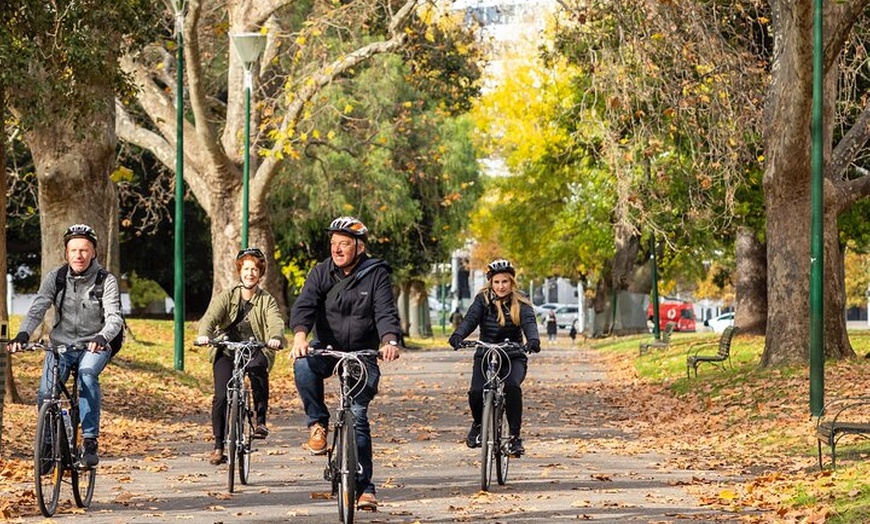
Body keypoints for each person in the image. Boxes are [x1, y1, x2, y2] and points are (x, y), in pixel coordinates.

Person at [289, 216, 402, 512]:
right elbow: (305, 305)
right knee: (303, 364)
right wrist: (301, 337)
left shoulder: (375, 273)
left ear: (359, 246)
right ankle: (317, 423)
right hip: (327, 346)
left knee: (358, 415)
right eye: (333, 244)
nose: (337, 249)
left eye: (344, 244)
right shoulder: (320, 272)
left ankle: (366, 488)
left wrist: (389, 341)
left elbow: (385, 311)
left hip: (363, 352)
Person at [7, 224, 123, 468]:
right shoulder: (56, 278)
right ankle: (48, 446)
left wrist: (103, 336)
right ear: (66, 253)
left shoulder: (106, 280)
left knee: (87, 374)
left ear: (93, 253)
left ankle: (90, 442)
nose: (78, 256)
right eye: (73, 250)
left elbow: (115, 317)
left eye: (84, 250)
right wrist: (22, 334)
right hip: (61, 345)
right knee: (45, 393)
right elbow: (38, 307)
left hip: (95, 345)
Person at [196, 247, 285, 466]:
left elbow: (275, 321)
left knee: (257, 371)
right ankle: (218, 445)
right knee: (220, 396)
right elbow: (210, 317)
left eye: (254, 269)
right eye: (246, 269)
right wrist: (204, 335)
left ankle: (260, 420)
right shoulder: (227, 296)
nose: (250, 273)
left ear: (260, 272)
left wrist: (274, 337)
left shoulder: (267, 300)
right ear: (240, 271)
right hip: (227, 349)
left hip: (255, 349)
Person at [448, 259, 540, 457]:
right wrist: (458, 335)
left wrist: (533, 339)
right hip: (486, 353)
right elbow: (471, 319)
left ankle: (515, 437)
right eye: (497, 282)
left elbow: (529, 322)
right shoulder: (483, 299)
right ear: (491, 282)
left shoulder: (521, 300)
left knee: (511, 386)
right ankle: (479, 424)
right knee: (476, 391)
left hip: (512, 355)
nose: (501, 286)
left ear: (511, 282)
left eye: (505, 282)